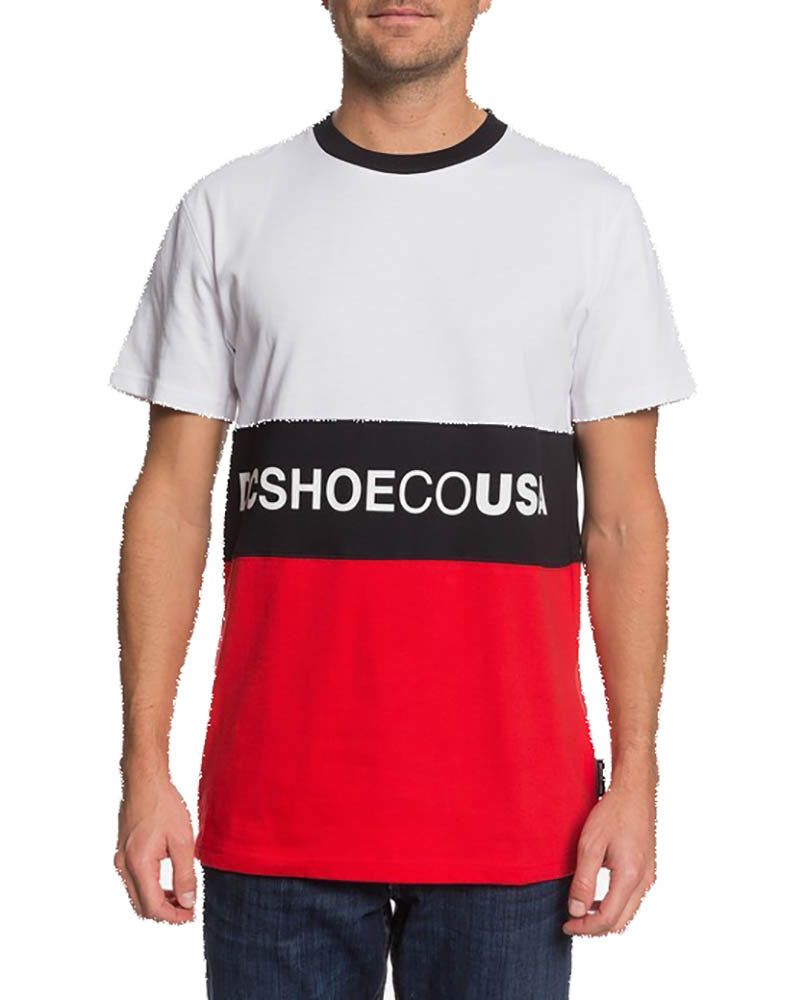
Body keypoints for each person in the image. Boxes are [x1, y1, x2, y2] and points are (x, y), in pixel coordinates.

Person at [109, 2, 695, 997]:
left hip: (515, 820)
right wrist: (143, 768)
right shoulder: (226, 208)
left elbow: (624, 519)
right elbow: (169, 500)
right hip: (274, 809)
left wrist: (635, 779)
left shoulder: (586, 212)